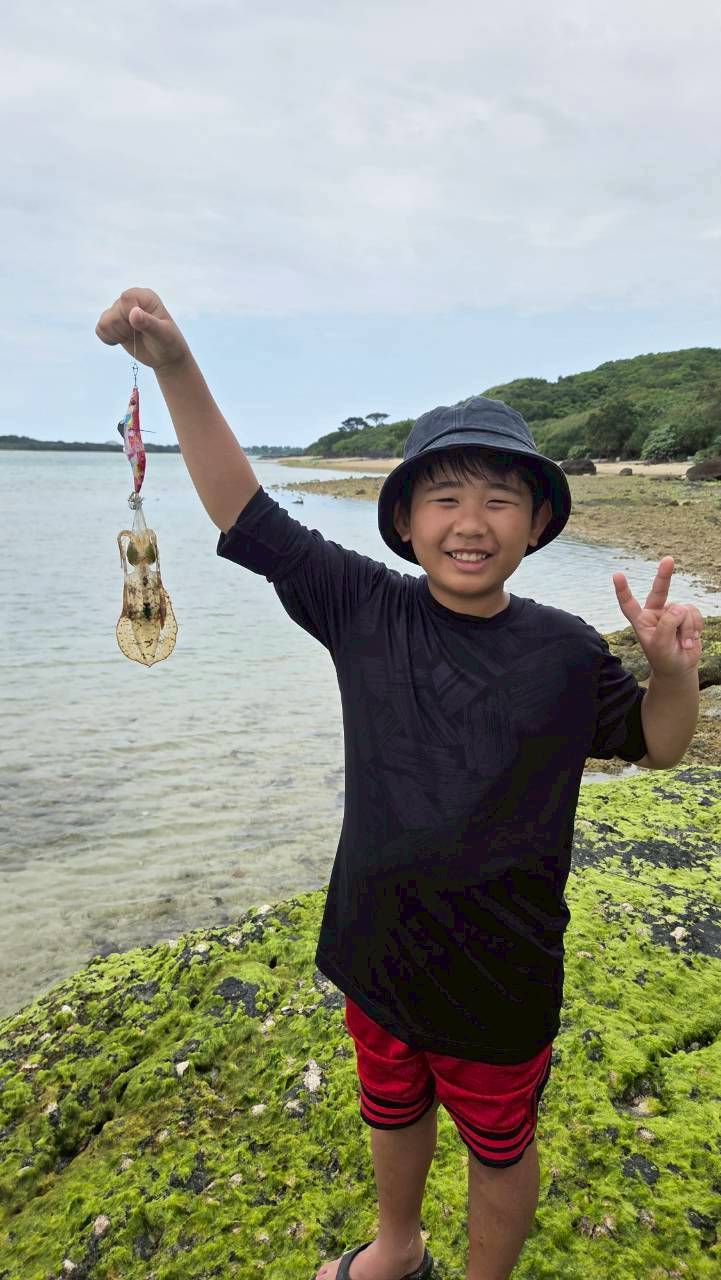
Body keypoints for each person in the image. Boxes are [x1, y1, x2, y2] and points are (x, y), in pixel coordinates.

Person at [96, 289, 702, 1280]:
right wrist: (173, 364)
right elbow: (241, 505)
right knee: (391, 1108)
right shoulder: (362, 605)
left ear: (538, 519)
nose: (472, 521)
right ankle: (398, 1242)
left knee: (501, 1145)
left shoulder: (558, 649)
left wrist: (671, 674)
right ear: (406, 521)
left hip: (502, 979)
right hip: (376, 950)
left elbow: (658, 744)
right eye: (445, 496)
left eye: (499, 497)